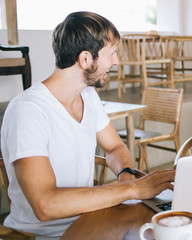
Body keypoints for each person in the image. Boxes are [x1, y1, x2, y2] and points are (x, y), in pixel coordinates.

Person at [0, 12, 174, 239]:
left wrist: (126, 174)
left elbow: (113, 148)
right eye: (111, 54)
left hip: (92, 218)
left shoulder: (89, 97)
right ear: (85, 59)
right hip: (44, 235)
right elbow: (46, 205)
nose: (116, 62)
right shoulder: (27, 111)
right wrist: (132, 189)